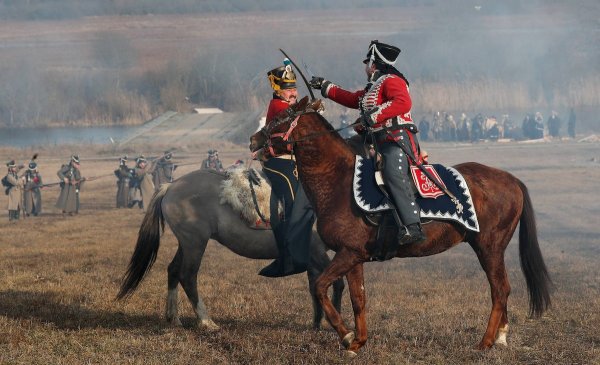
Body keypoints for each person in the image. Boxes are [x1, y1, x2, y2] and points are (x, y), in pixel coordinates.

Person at [310, 39, 426, 246]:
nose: (365, 67)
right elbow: (353, 99)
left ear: (373, 63)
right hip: (375, 140)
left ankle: (412, 225)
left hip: (395, 139)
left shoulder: (392, 80)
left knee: (392, 172)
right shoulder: (374, 86)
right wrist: (326, 86)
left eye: (367, 62)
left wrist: (372, 117)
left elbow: (403, 102)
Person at [258, 58, 316, 277]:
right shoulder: (278, 106)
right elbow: (295, 120)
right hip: (278, 161)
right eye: (287, 89)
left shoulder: (290, 105)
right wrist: (308, 109)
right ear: (278, 91)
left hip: (292, 160)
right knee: (292, 201)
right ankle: (287, 254)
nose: (292, 92)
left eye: (294, 88)